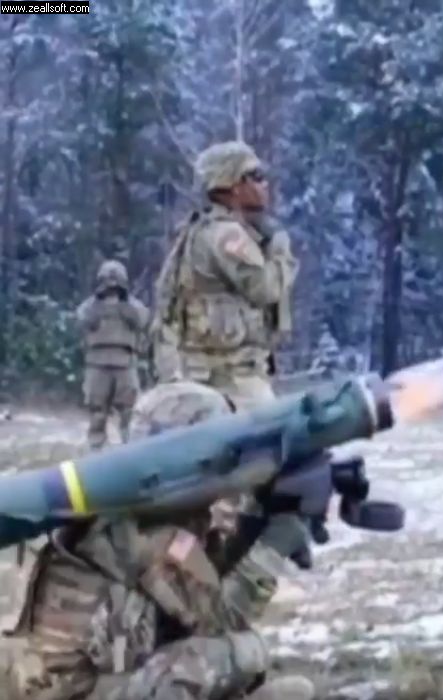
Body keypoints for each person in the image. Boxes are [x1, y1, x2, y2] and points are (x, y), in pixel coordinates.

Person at [0, 380, 316, 700]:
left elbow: (205, 581)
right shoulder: (140, 531)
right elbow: (221, 620)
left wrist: (256, 520)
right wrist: (276, 543)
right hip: (76, 691)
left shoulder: (127, 504)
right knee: (241, 653)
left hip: (82, 682)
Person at [151, 140, 297, 412]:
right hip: (233, 381)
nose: (265, 185)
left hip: (212, 375)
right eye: (255, 176)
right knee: (272, 435)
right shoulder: (226, 234)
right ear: (234, 185)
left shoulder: (205, 229)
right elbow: (266, 289)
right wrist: (280, 251)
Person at [75, 260, 149, 449]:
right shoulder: (92, 306)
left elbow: (142, 319)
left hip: (125, 363)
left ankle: (129, 447)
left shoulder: (131, 306)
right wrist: (100, 304)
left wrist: (124, 305)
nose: (111, 286)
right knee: (97, 411)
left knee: (128, 411)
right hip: (97, 363)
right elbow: (82, 319)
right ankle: (96, 446)